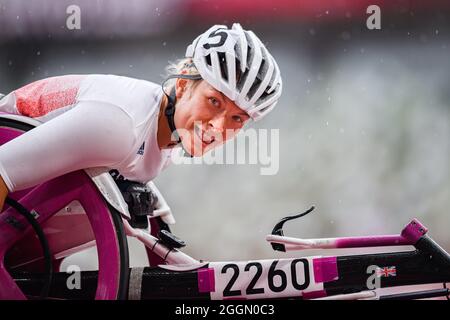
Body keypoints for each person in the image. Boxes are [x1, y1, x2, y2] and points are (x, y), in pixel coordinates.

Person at [0, 23, 282, 211]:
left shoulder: (168, 137)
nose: (218, 127)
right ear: (183, 84)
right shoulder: (120, 126)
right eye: (214, 101)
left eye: (237, 119)